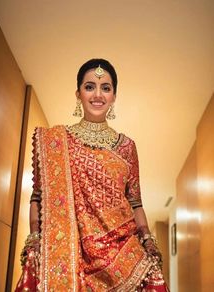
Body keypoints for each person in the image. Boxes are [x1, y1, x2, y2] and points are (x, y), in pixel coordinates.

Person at [15, 58, 169, 291]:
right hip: (69, 256)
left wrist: (148, 239)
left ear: (114, 97)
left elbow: (135, 202)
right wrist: (35, 238)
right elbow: (38, 196)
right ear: (78, 94)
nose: (98, 94)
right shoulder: (56, 142)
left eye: (105, 88)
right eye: (90, 87)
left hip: (125, 255)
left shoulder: (127, 146)